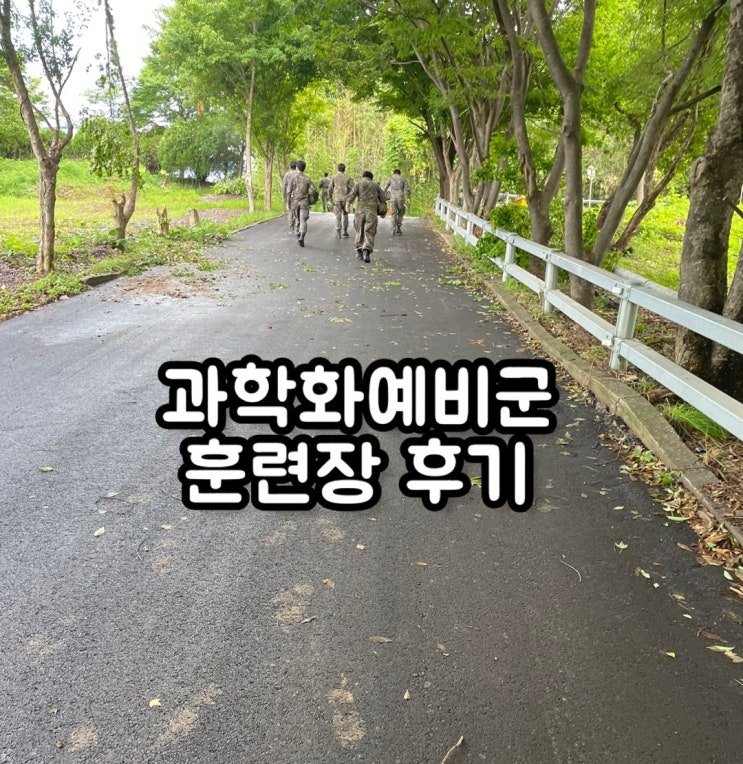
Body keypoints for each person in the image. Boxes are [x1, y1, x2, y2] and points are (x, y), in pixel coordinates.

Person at [345, 170, 387, 263]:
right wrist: (383, 212)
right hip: (371, 211)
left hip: (360, 211)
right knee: (369, 231)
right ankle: (366, 250)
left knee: (359, 230)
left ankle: (359, 250)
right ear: (371, 178)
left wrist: (347, 204)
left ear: (363, 177)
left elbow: (351, 195)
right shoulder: (376, 186)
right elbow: (383, 199)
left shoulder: (358, 184)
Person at [288, 160, 317, 248]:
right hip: (304, 202)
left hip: (295, 203)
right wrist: (313, 198)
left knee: (297, 219)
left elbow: (288, 192)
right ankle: (302, 236)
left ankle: (298, 234)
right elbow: (314, 189)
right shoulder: (307, 179)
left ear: (297, 168)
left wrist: (288, 203)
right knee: (303, 220)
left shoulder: (293, 178)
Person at [329, 163, 354, 239]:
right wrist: (350, 198)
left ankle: (338, 233)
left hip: (337, 199)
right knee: (345, 215)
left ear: (338, 169)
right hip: (346, 200)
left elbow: (330, 189)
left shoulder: (334, 177)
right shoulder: (348, 177)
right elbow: (353, 188)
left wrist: (330, 198)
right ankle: (345, 231)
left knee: (338, 216)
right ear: (344, 169)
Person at [383, 168, 411, 235]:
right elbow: (407, 189)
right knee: (401, 212)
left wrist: (382, 197)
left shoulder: (390, 179)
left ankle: (393, 229)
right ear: (399, 173)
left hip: (392, 198)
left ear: (394, 173)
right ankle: (398, 227)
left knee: (393, 213)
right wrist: (408, 198)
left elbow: (385, 188)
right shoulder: (403, 179)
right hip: (400, 198)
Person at [281, 160, 298, 233]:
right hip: (298, 195)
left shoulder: (287, 174)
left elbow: (284, 185)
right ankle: (298, 226)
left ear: (290, 166)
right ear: (296, 166)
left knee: (291, 210)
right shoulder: (298, 174)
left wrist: (283, 196)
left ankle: (291, 227)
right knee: (297, 210)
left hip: (289, 195)